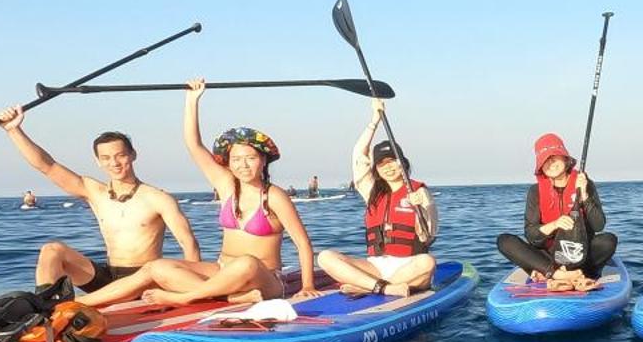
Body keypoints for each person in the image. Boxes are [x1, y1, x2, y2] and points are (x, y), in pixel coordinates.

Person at [81, 79, 317, 306]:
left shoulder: (274, 196)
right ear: (228, 162)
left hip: (263, 278)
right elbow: (194, 144)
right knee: (157, 267)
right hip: (221, 271)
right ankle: (77, 302)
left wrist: (307, 285)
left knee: (247, 263)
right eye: (236, 159)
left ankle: (183, 296)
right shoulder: (226, 185)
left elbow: (302, 243)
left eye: (250, 158)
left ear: (263, 160)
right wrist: (192, 100)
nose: (242, 165)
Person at [0, 107, 201, 291]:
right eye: (106, 158)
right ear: (98, 161)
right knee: (52, 250)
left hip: (145, 278)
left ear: (133, 155)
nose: (114, 163)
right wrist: (14, 131)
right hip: (109, 276)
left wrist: (194, 291)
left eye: (120, 155)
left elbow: (189, 244)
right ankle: (45, 308)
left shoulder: (159, 198)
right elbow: (47, 166)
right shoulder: (94, 191)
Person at [317, 100, 437, 296]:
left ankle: (366, 286)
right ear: (376, 169)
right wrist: (374, 120)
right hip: (375, 267)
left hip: (409, 265)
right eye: (381, 164)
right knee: (325, 257)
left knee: (428, 262)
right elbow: (358, 154)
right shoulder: (371, 190)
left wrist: (423, 209)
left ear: (403, 163)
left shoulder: (419, 192)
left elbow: (428, 235)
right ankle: (382, 288)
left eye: (392, 161)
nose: (388, 167)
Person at [495, 133, 617, 291]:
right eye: (545, 160)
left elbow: (599, 225)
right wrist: (554, 224)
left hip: (579, 254)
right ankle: (559, 275)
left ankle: (571, 273)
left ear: (566, 159)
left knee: (608, 241)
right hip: (548, 258)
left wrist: (585, 196)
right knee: (504, 241)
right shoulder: (535, 191)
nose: (550, 163)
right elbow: (532, 236)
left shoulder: (585, 183)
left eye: (554, 158)